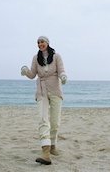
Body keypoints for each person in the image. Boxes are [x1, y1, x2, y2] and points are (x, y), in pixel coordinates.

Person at [21, 36, 68, 165]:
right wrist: (25, 71)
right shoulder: (36, 58)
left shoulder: (57, 56)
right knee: (43, 119)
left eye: (42, 42)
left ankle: (53, 146)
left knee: (55, 121)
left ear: (47, 43)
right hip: (41, 91)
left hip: (55, 90)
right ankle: (45, 151)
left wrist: (63, 76)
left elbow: (61, 71)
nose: (40, 44)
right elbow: (32, 75)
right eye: (38, 42)